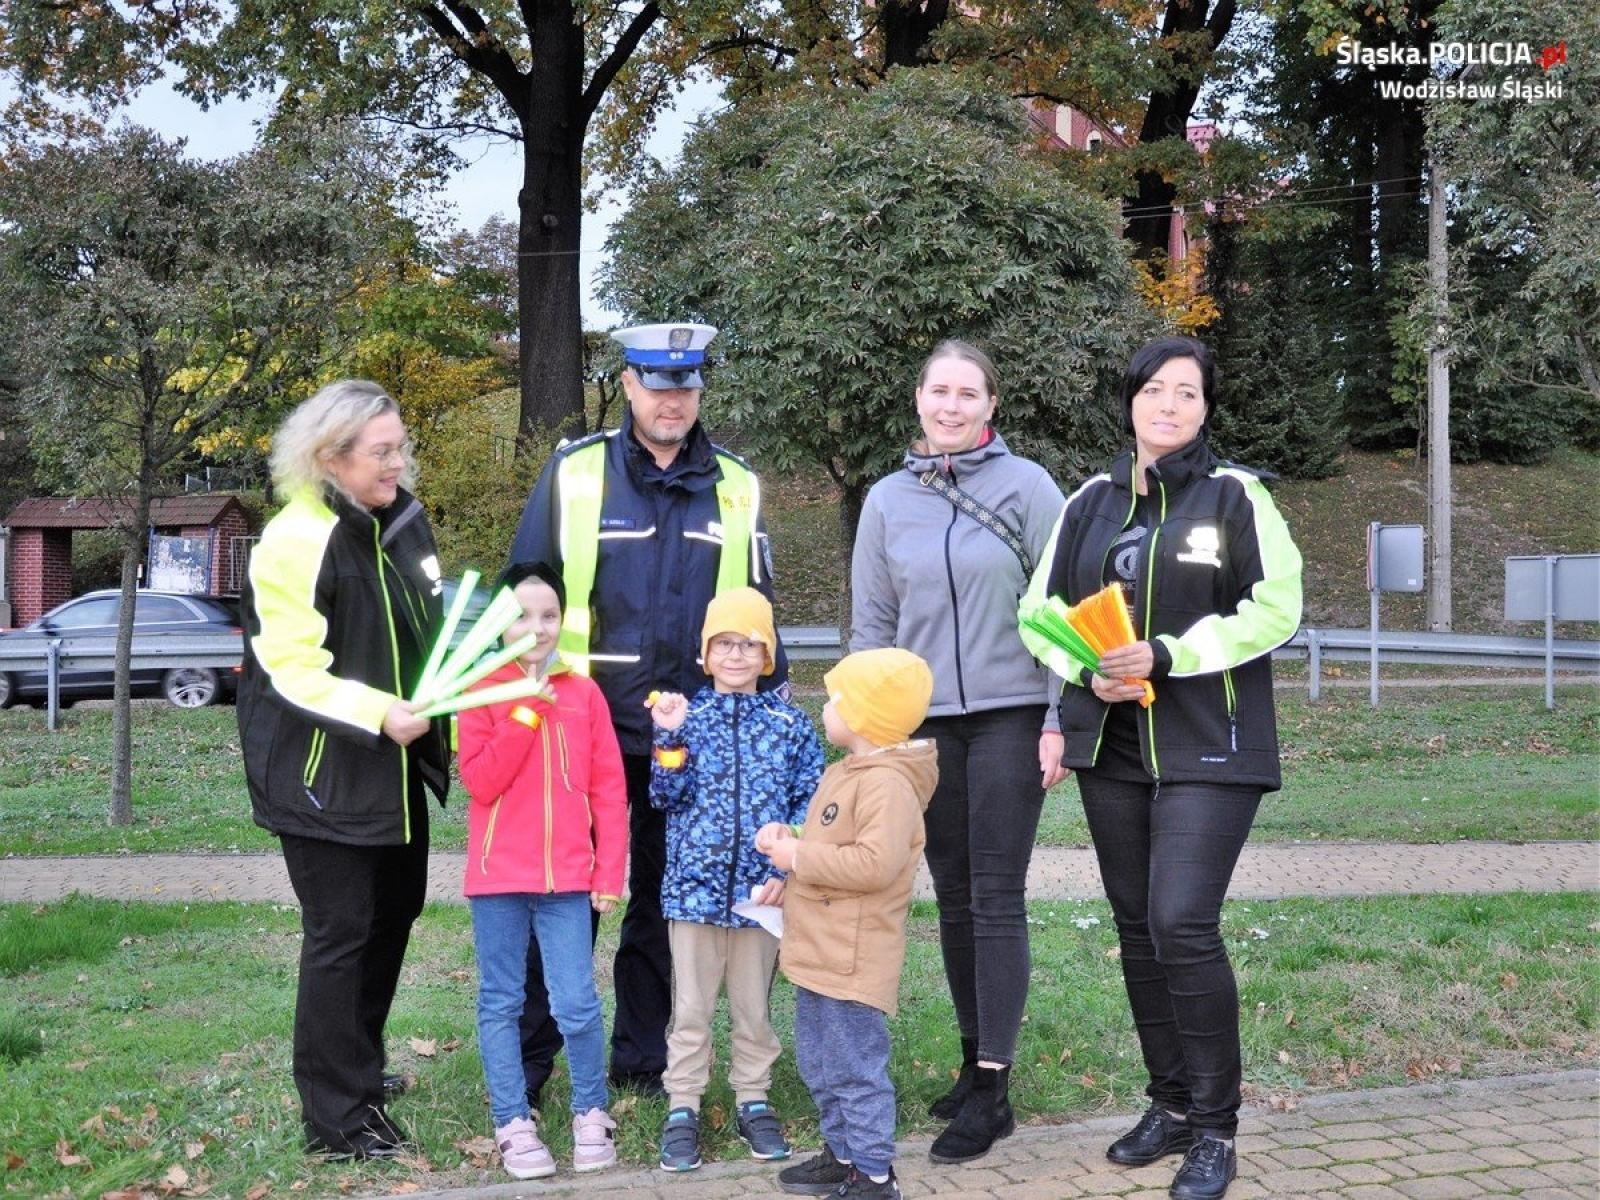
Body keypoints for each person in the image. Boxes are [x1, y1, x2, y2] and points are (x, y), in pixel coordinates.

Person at [1019, 335, 1304, 1200]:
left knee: (1181, 921)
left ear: (1206, 408)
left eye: (1187, 393)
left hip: (1209, 747)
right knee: (1138, 931)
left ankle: (1217, 1128)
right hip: (1111, 751)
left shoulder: (1237, 497)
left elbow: (1276, 607)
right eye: (1154, 390)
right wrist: (1088, 669)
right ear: (1132, 401)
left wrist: (1169, 654)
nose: (1168, 405)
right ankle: (1171, 1105)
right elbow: (1038, 615)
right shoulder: (1088, 503)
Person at [507, 321, 788, 1101]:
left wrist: (764, 730)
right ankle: (529, 1067)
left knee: (667, 906)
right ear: (628, 385)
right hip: (584, 733)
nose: (674, 401)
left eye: (687, 386)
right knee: (566, 902)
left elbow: (755, 612)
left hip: (689, 742)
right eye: (659, 386)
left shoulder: (735, 484)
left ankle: (642, 1062)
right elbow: (526, 593)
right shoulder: (576, 474)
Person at [849, 338, 1069, 1163]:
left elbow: (1067, 607)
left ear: (990, 406)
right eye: (938, 391)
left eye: (967, 394)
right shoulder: (884, 502)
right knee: (951, 898)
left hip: (1014, 715)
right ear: (917, 400)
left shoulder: (1029, 487)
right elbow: (872, 624)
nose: (951, 406)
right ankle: (974, 1067)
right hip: (922, 728)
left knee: (995, 894)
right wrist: (873, 731)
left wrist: (1059, 718)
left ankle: (994, 1086)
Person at [237, 380, 450, 1159]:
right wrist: (380, 714)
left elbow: (423, 626)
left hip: (392, 774)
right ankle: (337, 1118)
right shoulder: (297, 537)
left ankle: (357, 1066)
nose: (399, 463)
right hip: (322, 771)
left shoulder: (402, 522)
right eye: (383, 452)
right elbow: (291, 668)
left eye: (401, 447)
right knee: (342, 934)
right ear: (331, 457)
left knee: (392, 920)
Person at [456, 562, 628, 1179]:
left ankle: (590, 1112)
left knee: (576, 1004)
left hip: (569, 884)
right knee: (502, 1002)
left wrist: (609, 872)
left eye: (549, 615)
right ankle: (513, 1121)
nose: (537, 627)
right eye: (522, 616)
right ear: (500, 624)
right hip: (498, 880)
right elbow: (480, 780)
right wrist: (525, 712)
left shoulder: (585, 693)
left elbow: (609, 790)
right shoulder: (480, 690)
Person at [648, 588, 824, 1173]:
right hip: (693, 894)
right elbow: (664, 796)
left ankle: (754, 1096)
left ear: (767, 655)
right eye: (724, 643)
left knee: (753, 1007)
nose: (736, 655)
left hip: (761, 896)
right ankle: (683, 1105)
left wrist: (784, 867)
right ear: (705, 654)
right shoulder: (686, 718)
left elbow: (812, 801)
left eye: (749, 645)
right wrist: (669, 739)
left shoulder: (790, 726)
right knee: (691, 1007)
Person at [756, 648, 938, 1200]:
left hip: (854, 954)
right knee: (820, 1062)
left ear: (864, 716)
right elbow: (830, 847)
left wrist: (797, 858)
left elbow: (873, 865)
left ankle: (876, 1176)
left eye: (835, 699)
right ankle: (843, 1156)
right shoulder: (845, 771)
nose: (826, 708)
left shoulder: (887, 784)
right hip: (819, 948)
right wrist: (788, 871)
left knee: (856, 1069)